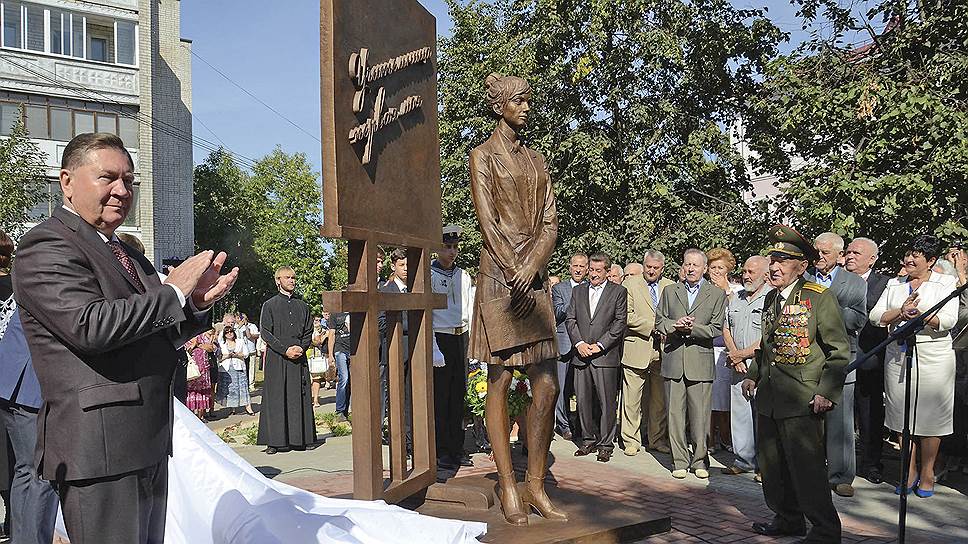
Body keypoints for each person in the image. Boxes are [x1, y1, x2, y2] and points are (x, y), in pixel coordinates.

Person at [12, 132, 238, 543]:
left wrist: (194, 305)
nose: (121, 190)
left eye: (129, 181)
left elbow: (152, 331)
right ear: (66, 181)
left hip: (147, 440)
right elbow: (90, 327)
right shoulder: (45, 245)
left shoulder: (129, 254)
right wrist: (173, 292)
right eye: (107, 178)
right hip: (100, 450)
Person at [468, 73, 564, 525]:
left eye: (528, 101)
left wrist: (532, 266)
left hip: (533, 275)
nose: (527, 107)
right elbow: (487, 221)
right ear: (500, 106)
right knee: (502, 380)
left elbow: (551, 221)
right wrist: (513, 268)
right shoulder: (482, 156)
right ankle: (507, 482)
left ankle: (536, 483)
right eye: (520, 101)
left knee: (547, 384)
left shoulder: (538, 160)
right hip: (498, 277)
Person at [742, 224, 848, 542]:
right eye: (773, 260)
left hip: (803, 398)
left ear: (801, 266)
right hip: (772, 398)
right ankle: (788, 518)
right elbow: (768, 345)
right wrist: (752, 375)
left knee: (808, 469)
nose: (774, 267)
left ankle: (826, 530)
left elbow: (838, 351)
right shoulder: (772, 298)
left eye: (782, 262)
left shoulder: (819, 298)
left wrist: (826, 391)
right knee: (772, 466)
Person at [869, 234, 960, 497]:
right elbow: (876, 316)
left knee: (931, 417)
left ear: (931, 261)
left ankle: (928, 471)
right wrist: (900, 311)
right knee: (900, 414)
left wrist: (921, 315)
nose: (909, 259)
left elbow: (949, 319)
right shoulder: (894, 284)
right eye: (907, 253)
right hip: (898, 356)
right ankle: (907, 471)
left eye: (916, 255)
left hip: (934, 358)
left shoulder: (946, 283)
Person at [0, 229, 59, 544]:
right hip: (28, 387)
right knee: (40, 473)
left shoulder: (28, 272)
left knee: (25, 472)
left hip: (11, 382)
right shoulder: (49, 276)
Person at [804, 231, 868, 497]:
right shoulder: (804, 279)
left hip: (842, 358)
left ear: (839, 255)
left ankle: (841, 475)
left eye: (825, 252)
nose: (819, 256)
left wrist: (825, 309)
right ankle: (813, 471)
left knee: (840, 420)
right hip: (808, 358)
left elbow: (857, 320)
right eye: (816, 251)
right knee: (810, 420)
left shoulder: (854, 283)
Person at [657, 248, 726, 479]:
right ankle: (678, 461)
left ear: (705, 269)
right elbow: (660, 322)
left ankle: (699, 460)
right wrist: (676, 325)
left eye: (695, 265)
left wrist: (692, 328)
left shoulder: (716, 294)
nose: (690, 269)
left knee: (700, 417)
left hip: (700, 362)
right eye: (687, 264)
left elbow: (716, 328)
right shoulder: (669, 291)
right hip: (674, 359)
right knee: (675, 415)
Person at [566, 252, 628, 463]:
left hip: (605, 356)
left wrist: (600, 345)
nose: (593, 274)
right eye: (591, 270)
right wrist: (580, 344)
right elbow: (571, 319)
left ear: (608, 271)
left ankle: (605, 444)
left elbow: (619, 323)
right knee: (582, 400)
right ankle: (587, 440)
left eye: (598, 271)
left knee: (606, 402)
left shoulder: (618, 292)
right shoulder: (579, 291)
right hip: (581, 354)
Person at [845, 237, 891, 484]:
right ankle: (841, 462)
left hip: (868, 358)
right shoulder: (837, 280)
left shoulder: (884, 283)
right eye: (848, 251)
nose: (850, 256)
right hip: (840, 358)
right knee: (840, 415)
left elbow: (870, 311)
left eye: (856, 252)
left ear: (872, 259)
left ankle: (871, 463)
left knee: (870, 415)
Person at [620, 250, 674, 456]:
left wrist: (667, 328)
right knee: (631, 400)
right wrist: (654, 326)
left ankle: (656, 439)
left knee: (659, 401)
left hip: (662, 351)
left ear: (662, 268)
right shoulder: (630, 284)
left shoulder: (670, 286)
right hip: (637, 346)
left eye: (655, 268)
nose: (651, 271)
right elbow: (627, 315)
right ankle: (630, 440)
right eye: (648, 267)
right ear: (644, 265)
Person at [721, 256, 771, 476]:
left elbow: (768, 336)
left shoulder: (772, 298)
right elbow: (726, 328)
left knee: (762, 415)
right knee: (740, 414)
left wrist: (741, 355)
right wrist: (735, 356)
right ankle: (743, 461)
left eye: (752, 272)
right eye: (745, 271)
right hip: (737, 365)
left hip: (760, 365)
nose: (746, 275)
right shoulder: (737, 298)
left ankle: (764, 465)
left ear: (765, 274)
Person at [257, 267, 315, 454]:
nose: (291, 280)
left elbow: (308, 331)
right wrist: (285, 350)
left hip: (298, 357)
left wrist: (301, 347)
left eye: (293, 277)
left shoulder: (303, 306)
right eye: (287, 277)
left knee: (298, 396)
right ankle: (275, 442)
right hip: (277, 357)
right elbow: (266, 332)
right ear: (278, 281)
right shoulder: (269, 305)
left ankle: (301, 439)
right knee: (277, 397)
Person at [431, 225, 475, 469]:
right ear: (438, 248)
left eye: (455, 247)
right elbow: (427, 314)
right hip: (440, 337)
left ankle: (457, 447)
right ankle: (441, 450)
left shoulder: (464, 275)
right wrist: (433, 346)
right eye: (447, 247)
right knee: (441, 397)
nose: (452, 252)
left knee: (459, 395)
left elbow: (468, 309)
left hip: (460, 336)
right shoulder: (429, 274)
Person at [551, 253, 588, 441]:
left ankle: (583, 426)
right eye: (575, 266)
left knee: (582, 389)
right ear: (570, 267)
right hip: (564, 343)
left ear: (587, 268)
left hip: (585, 344)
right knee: (562, 388)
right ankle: (564, 425)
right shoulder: (559, 288)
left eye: (582, 266)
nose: (578, 269)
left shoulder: (592, 288)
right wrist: (574, 301)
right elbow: (556, 313)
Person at [706, 247, 738, 453]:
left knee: (725, 398)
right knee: (708, 397)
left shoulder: (737, 291)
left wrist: (724, 291)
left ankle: (727, 436)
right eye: (712, 267)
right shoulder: (701, 290)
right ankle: (708, 439)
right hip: (707, 347)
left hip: (728, 351)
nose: (716, 271)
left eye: (720, 267)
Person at [216, 327, 253, 416]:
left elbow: (246, 354)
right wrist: (227, 356)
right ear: (224, 335)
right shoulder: (222, 344)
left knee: (243, 388)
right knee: (230, 390)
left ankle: (248, 407)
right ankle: (233, 408)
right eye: (227, 332)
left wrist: (237, 355)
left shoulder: (240, 341)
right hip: (226, 369)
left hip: (239, 367)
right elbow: (219, 357)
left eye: (231, 332)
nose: (229, 333)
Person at [185, 331, 216, 420]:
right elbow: (186, 350)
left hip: (203, 368)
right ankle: (190, 416)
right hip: (191, 369)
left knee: (202, 392)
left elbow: (210, 348)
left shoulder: (202, 335)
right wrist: (195, 344)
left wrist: (198, 344)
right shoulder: (185, 336)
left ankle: (200, 416)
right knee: (190, 392)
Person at [238, 313, 261, 392]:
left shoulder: (252, 326)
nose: (242, 320)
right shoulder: (237, 327)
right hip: (241, 352)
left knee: (251, 368)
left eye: (244, 318)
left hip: (251, 350)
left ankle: (251, 384)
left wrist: (246, 327)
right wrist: (240, 326)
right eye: (241, 318)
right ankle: (242, 384)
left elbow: (253, 336)